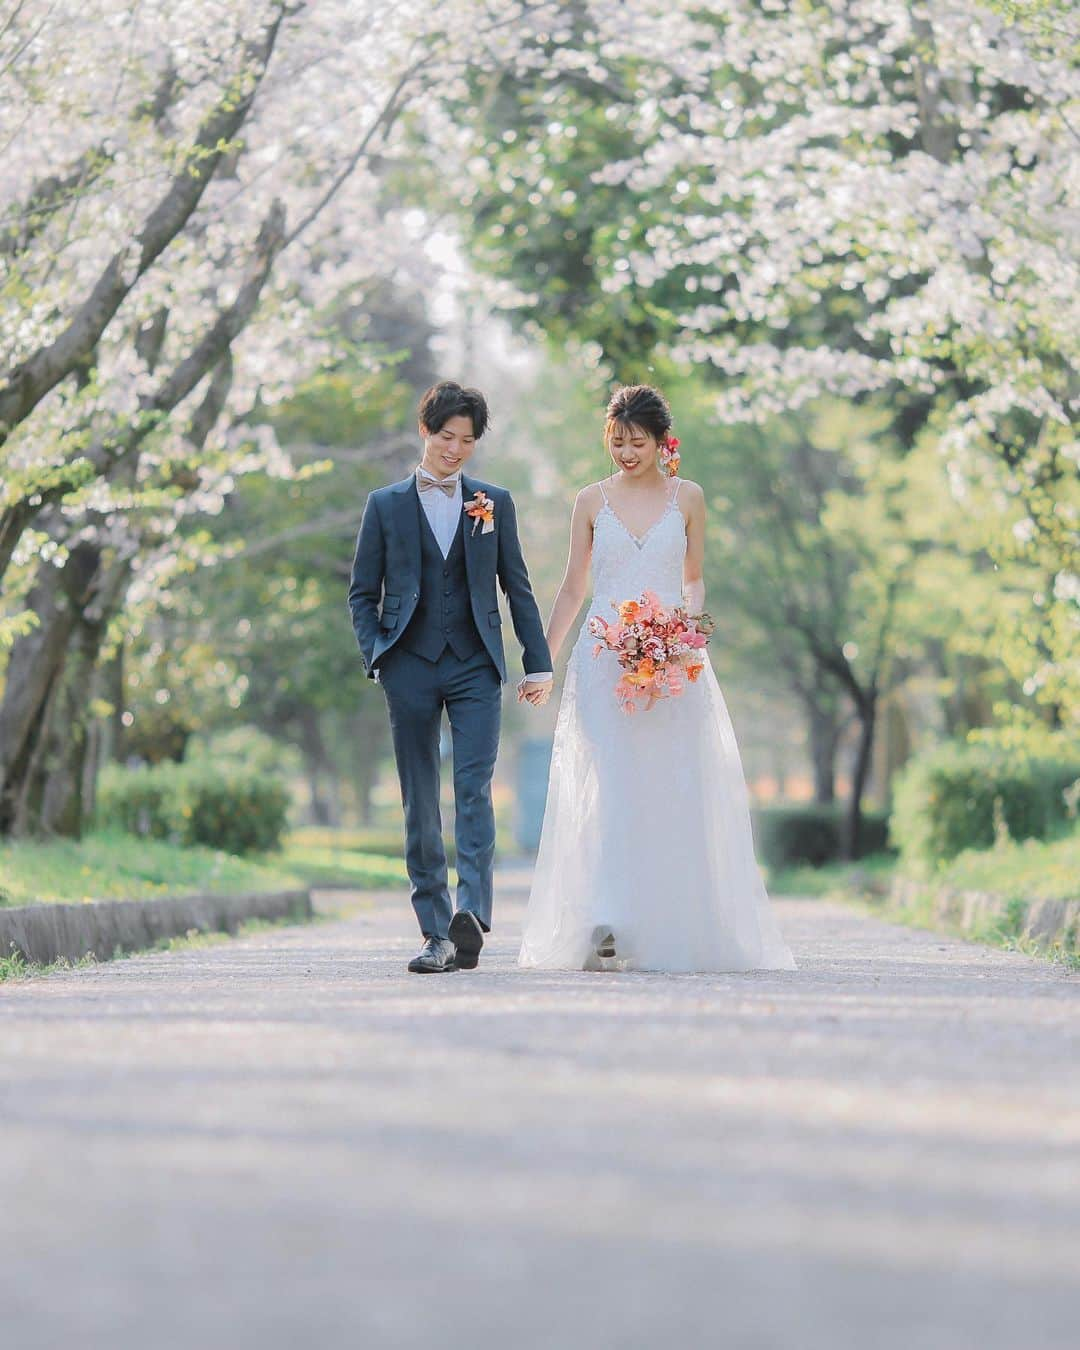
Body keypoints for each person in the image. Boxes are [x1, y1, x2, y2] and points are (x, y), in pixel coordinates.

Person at [518, 383, 796, 974]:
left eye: (636, 441)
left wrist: (684, 632)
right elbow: (573, 588)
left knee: (671, 783)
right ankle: (606, 916)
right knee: (610, 781)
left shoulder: (688, 497)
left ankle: (664, 917)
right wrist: (542, 660)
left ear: (661, 440)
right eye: (616, 442)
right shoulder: (589, 501)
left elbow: (694, 579)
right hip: (601, 658)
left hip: (672, 660)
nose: (625, 452)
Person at [348, 381, 553, 974]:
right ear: (425, 432)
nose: (456, 450)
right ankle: (434, 932)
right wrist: (378, 655)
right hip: (407, 664)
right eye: (446, 437)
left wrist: (536, 662)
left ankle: (472, 913)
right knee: (419, 799)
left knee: (473, 788)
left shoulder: (493, 502)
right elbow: (363, 593)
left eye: (467, 441)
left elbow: (517, 586)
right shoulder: (384, 505)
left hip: (474, 664)